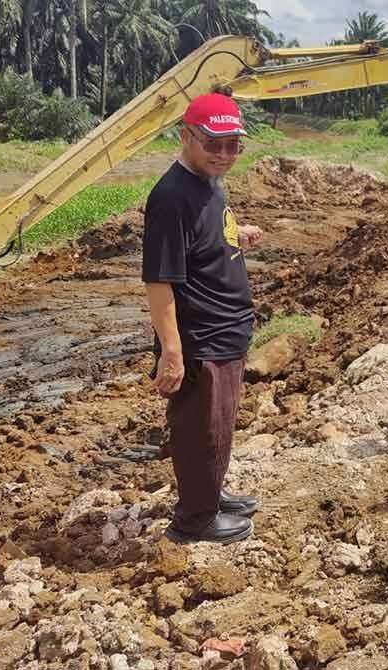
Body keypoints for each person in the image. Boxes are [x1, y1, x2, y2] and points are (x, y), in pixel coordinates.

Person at [142, 93, 264, 545]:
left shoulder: (209, 183)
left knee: (220, 422)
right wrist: (171, 351)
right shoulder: (171, 197)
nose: (224, 154)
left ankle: (211, 494)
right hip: (201, 338)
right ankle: (194, 520)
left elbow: (206, 235)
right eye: (214, 144)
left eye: (233, 145)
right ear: (186, 137)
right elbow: (159, 282)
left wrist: (237, 233)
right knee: (199, 428)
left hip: (227, 330)